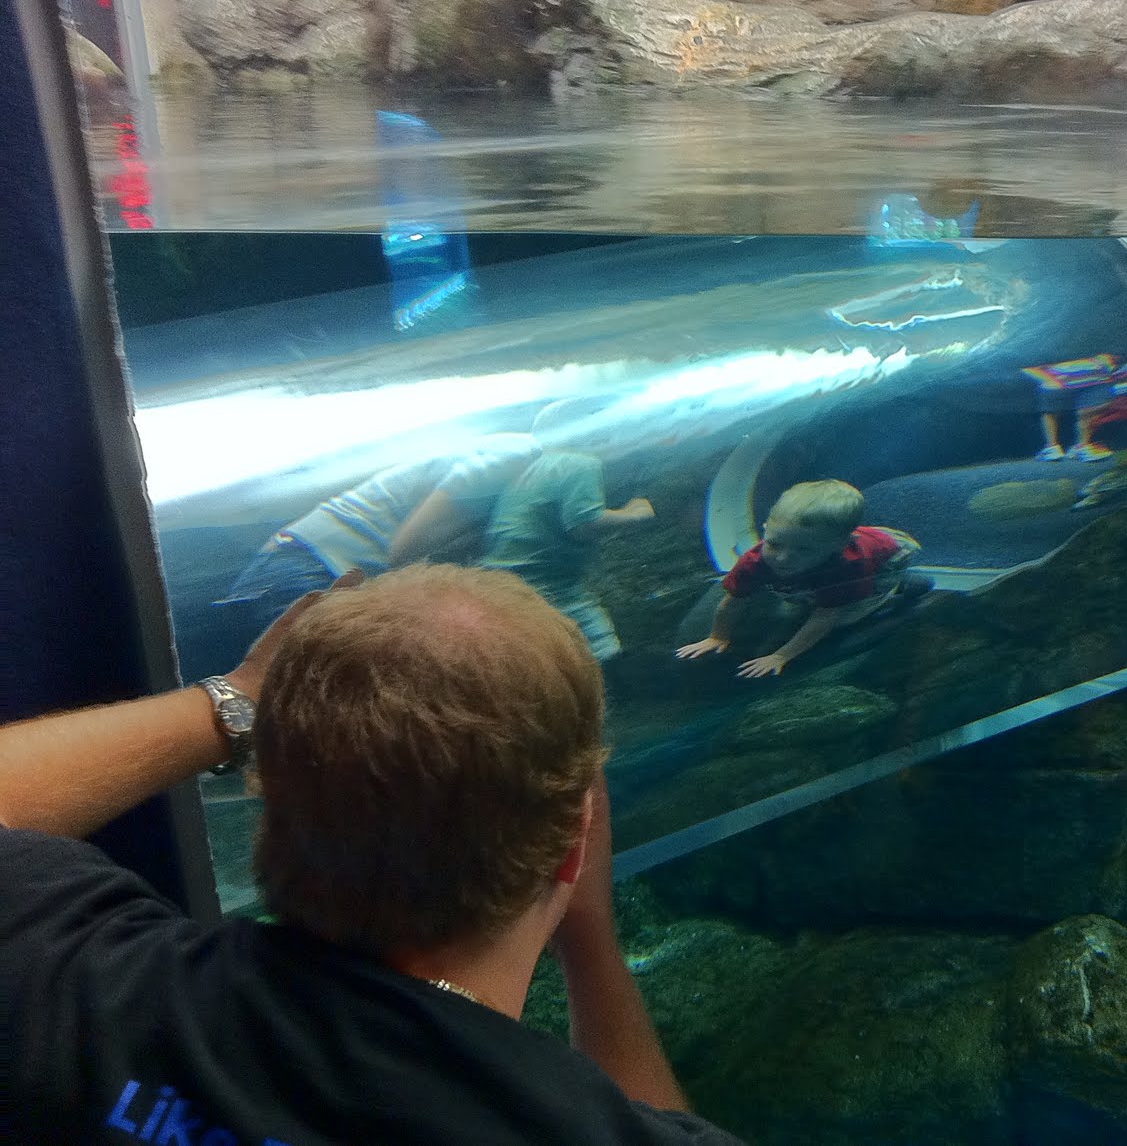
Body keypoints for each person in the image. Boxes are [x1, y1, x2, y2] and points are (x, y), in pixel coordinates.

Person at [0, 564, 745, 1143]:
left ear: (266, 793)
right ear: (575, 841)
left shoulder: (68, 987)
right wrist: (590, 941)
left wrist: (234, 698)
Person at [219, 431, 536, 629]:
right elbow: (404, 550)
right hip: (313, 571)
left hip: (315, 568)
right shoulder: (517, 453)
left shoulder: (521, 462)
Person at [676, 480, 921, 679]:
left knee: (848, 614)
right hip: (843, 548)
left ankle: (899, 591)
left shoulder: (848, 566)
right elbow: (733, 602)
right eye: (774, 544)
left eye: (803, 550)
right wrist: (718, 636)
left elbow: (824, 618)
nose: (782, 558)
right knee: (802, 594)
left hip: (890, 554)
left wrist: (781, 656)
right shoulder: (754, 559)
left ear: (838, 546)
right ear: (765, 529)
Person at [479, 404, 655, 664]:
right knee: (602, 653)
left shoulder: (530, 470)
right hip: (546, 587)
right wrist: (634, 514)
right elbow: (584, 524)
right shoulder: (580, 462)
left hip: (504, 584)